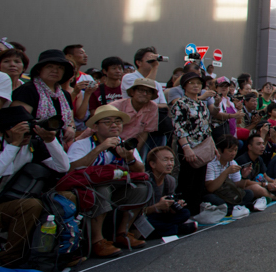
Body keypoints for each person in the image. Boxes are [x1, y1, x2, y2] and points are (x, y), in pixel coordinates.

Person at [0, 106, 70, 266]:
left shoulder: (31, 145)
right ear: (2, 131)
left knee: (65, 197)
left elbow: (62, 167)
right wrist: (14, 145)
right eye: (20, 130)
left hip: (9, 201)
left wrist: (51, 141)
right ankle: (9, 259)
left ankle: (54, 253)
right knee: (30, 205)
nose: (26, 135)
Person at [66, 104, 151, 258]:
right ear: (96, 127)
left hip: (117, 190)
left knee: (142, 187)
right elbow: (72, 169)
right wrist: (99, 149)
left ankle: (122, 232)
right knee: (103, 189)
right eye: (107, 122)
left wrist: (130, 158)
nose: (114, 125)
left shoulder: (125, 144)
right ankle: (97, 241)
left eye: (118, 122)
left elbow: (140, 171)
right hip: (88, 191)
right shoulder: (82, 144)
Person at [170, 72, 216, 213]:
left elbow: (206, 127)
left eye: (198, 83)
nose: (196, 86)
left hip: (203, 146)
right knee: (187, 180)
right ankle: (184, 211)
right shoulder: (180, 103)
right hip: (189, 147)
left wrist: (213, 146)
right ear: (184, 86)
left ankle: (195, 210)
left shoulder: (202, 104)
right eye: (192, 83)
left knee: (199, 180)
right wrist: (186, 147)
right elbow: (179, 127)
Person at [11, 49, 76, 143]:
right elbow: (18, 122)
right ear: (39, 69)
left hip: (58, 144)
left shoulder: (65, 95)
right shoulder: (27, 90)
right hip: (30, 145)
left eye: (60, 67)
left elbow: (71, 120)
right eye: (49, 66)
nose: (55, 70)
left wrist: (71, 128)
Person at [141, 146, 196, 238]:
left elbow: (169, 205)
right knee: (149, 222)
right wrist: (157, 206)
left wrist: (173, 205)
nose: (170, 164)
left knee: (185, 213)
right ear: (152, 164)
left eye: (172, 160)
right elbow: (138, 213)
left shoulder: (170, 180)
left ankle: (168, 229)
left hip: (162, 216)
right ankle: (176, 229)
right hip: (147, 216)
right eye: (165, 160)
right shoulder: (144, 182)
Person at [205, 136, 260, 214]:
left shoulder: (232, 162)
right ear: (220, 151)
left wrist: (244, 176)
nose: (233, 153)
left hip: (229, 194)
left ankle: (232, 208)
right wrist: (226, 172)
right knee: (211, 198)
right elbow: (210, 188)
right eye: (230, 151)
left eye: (235, 150)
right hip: (217, 194)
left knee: (249, 193)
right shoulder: (211, 164)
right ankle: (237, 207)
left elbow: (237, 185)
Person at [114, 78, 160, 153]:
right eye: (141, 90)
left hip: (132, 145)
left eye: (148, 91)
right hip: (112, 142)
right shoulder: (117, 106)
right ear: (132, 92)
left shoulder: (153, 107)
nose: (144, 94)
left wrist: (135, 153)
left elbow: (145, 132)